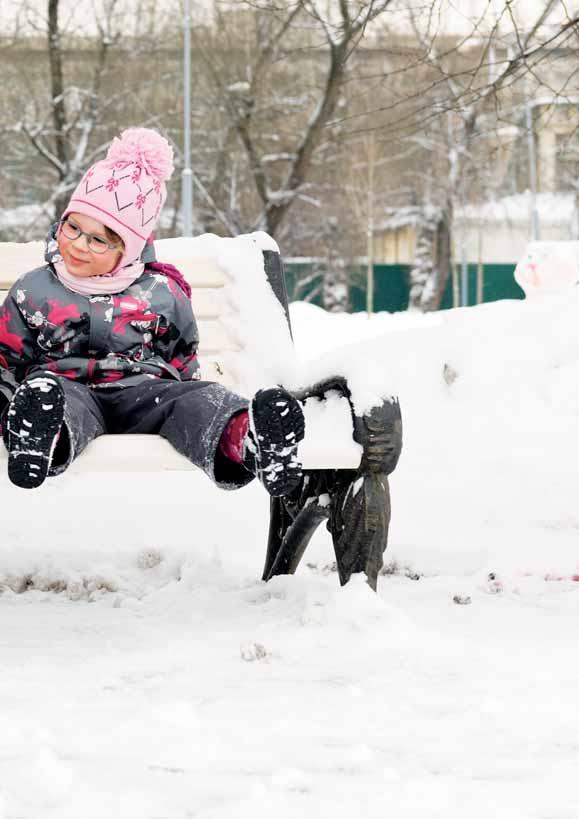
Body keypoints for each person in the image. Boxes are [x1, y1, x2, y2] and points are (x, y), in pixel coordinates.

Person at [0, 128, 304, 493]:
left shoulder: (161, 291)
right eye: (73, 227)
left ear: (128, 249)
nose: (78, 244)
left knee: (194, 399)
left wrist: (189, 392)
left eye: (98, 239)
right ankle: (38, 435)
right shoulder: (34, 289)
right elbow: (7, 362)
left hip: (145, 392)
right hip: (69, 388)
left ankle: (249, 437)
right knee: (52, 396)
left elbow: (181, 357)